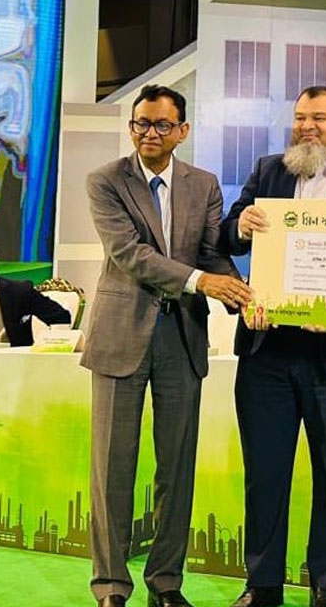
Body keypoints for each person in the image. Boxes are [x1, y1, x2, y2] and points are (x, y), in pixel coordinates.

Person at [221, 86, 326, 607]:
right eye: (300, 117)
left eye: (319, 118)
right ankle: (263, 585)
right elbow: (227, 235)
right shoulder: (268, 171)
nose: (306, 126)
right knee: (265, 474)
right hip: (268, 351)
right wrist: (242, 225)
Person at [81, 84, 251, 607]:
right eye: (140, 123)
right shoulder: (105, 180)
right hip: (120, 335)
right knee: (112, 467)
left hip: (182, 337)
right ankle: (111, 586)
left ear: (182, 131)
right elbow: (130, 254)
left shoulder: (203, 184)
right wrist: (203, 282)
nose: (148, 133)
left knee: (176, 468)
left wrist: (245, 295)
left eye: (160, 125)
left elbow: (211, 253)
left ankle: (166, 584)